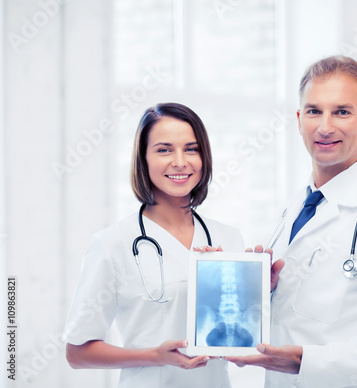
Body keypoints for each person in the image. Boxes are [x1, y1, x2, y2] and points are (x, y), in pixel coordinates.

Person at [226, 56, 357, 387]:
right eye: (314, 111)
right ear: (299, 120)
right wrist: (258, 291)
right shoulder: (296, 207)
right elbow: (298, 316)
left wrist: (305, 361)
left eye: (342, 112)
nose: (325, 127)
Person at [63, 102, 244, 387]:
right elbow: (77, 353)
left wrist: (260, 290)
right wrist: (156, 356)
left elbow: (238, 340)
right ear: (143, 159)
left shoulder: (228, 239)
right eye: (164, 150)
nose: (180, 161)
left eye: (191, 149)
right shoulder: (112, 244)